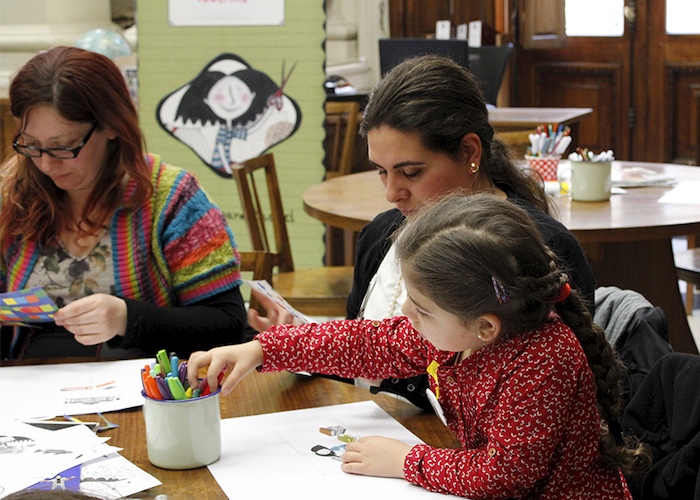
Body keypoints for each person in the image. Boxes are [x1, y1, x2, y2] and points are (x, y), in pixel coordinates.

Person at [189, 194, 650, 499]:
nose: (406, 312)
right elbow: (366, 343)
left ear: (484, 327)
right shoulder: (457, 334)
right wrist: (264, 350)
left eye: (423, 307)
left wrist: (406, 460)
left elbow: (504, 474)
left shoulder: (543, 361)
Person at [248, 55, 596, 408]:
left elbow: (540, 405)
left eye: (411, 172)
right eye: (381, 171)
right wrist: (300, 343)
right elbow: (366, 359)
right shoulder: (381, 234)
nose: (391, 192)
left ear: (469, 152)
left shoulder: (535, 249)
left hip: (469, 457)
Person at [0, 46, 250, 360]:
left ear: (113, 125)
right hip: (25, 392)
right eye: (32, 145)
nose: (47, 165)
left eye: (63, 147)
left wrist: (127, 318)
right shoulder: (12, 195)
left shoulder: (171, 198)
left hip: (140, 389)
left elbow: (227, 325)